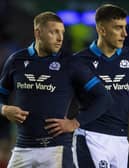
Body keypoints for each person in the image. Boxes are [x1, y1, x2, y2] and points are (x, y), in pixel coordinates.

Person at [51, 4, 129, 168]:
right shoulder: (79, 61)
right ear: (102, 30)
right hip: (89, 137)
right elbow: (59, 98)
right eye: (118, 28)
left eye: (125, 28)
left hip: (120, 141)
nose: (125, 34)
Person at [0, 11, 112, 168]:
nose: (60, 38)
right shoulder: (16, 60)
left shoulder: (71, 63)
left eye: (62, 32)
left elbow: (104, 98)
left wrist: (75, 122)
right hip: (22, 148)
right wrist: (4, 109)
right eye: (54, 32)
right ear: (38, 33)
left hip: (56, 150)